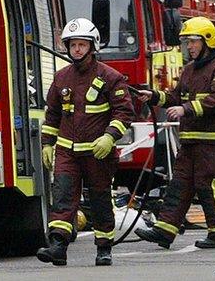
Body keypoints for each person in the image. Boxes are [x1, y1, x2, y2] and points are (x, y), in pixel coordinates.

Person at [36, 18, 134, 267]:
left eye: (82, 44)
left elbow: (124, 112)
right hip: (68, 151)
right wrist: (48, 143)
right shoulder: (61, 78)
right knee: (63, 197)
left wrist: (109, 137)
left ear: (93, 47)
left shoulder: (110, 77)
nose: (77, 49)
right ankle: (58, 245)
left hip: (98, 152)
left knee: (100, 199)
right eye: (73, 44)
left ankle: (104, 248)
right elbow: (53, 115)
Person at [135, 16, 215, 249]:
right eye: (187, 42)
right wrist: (153, 96)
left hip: (212, 139)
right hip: (190, 138)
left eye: (193, 41)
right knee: (180, 183)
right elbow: (174, 96)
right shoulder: (189, 70)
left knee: (206, 183)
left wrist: (185, 109)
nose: (189, 47)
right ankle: (165, 230)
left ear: (207, 41)